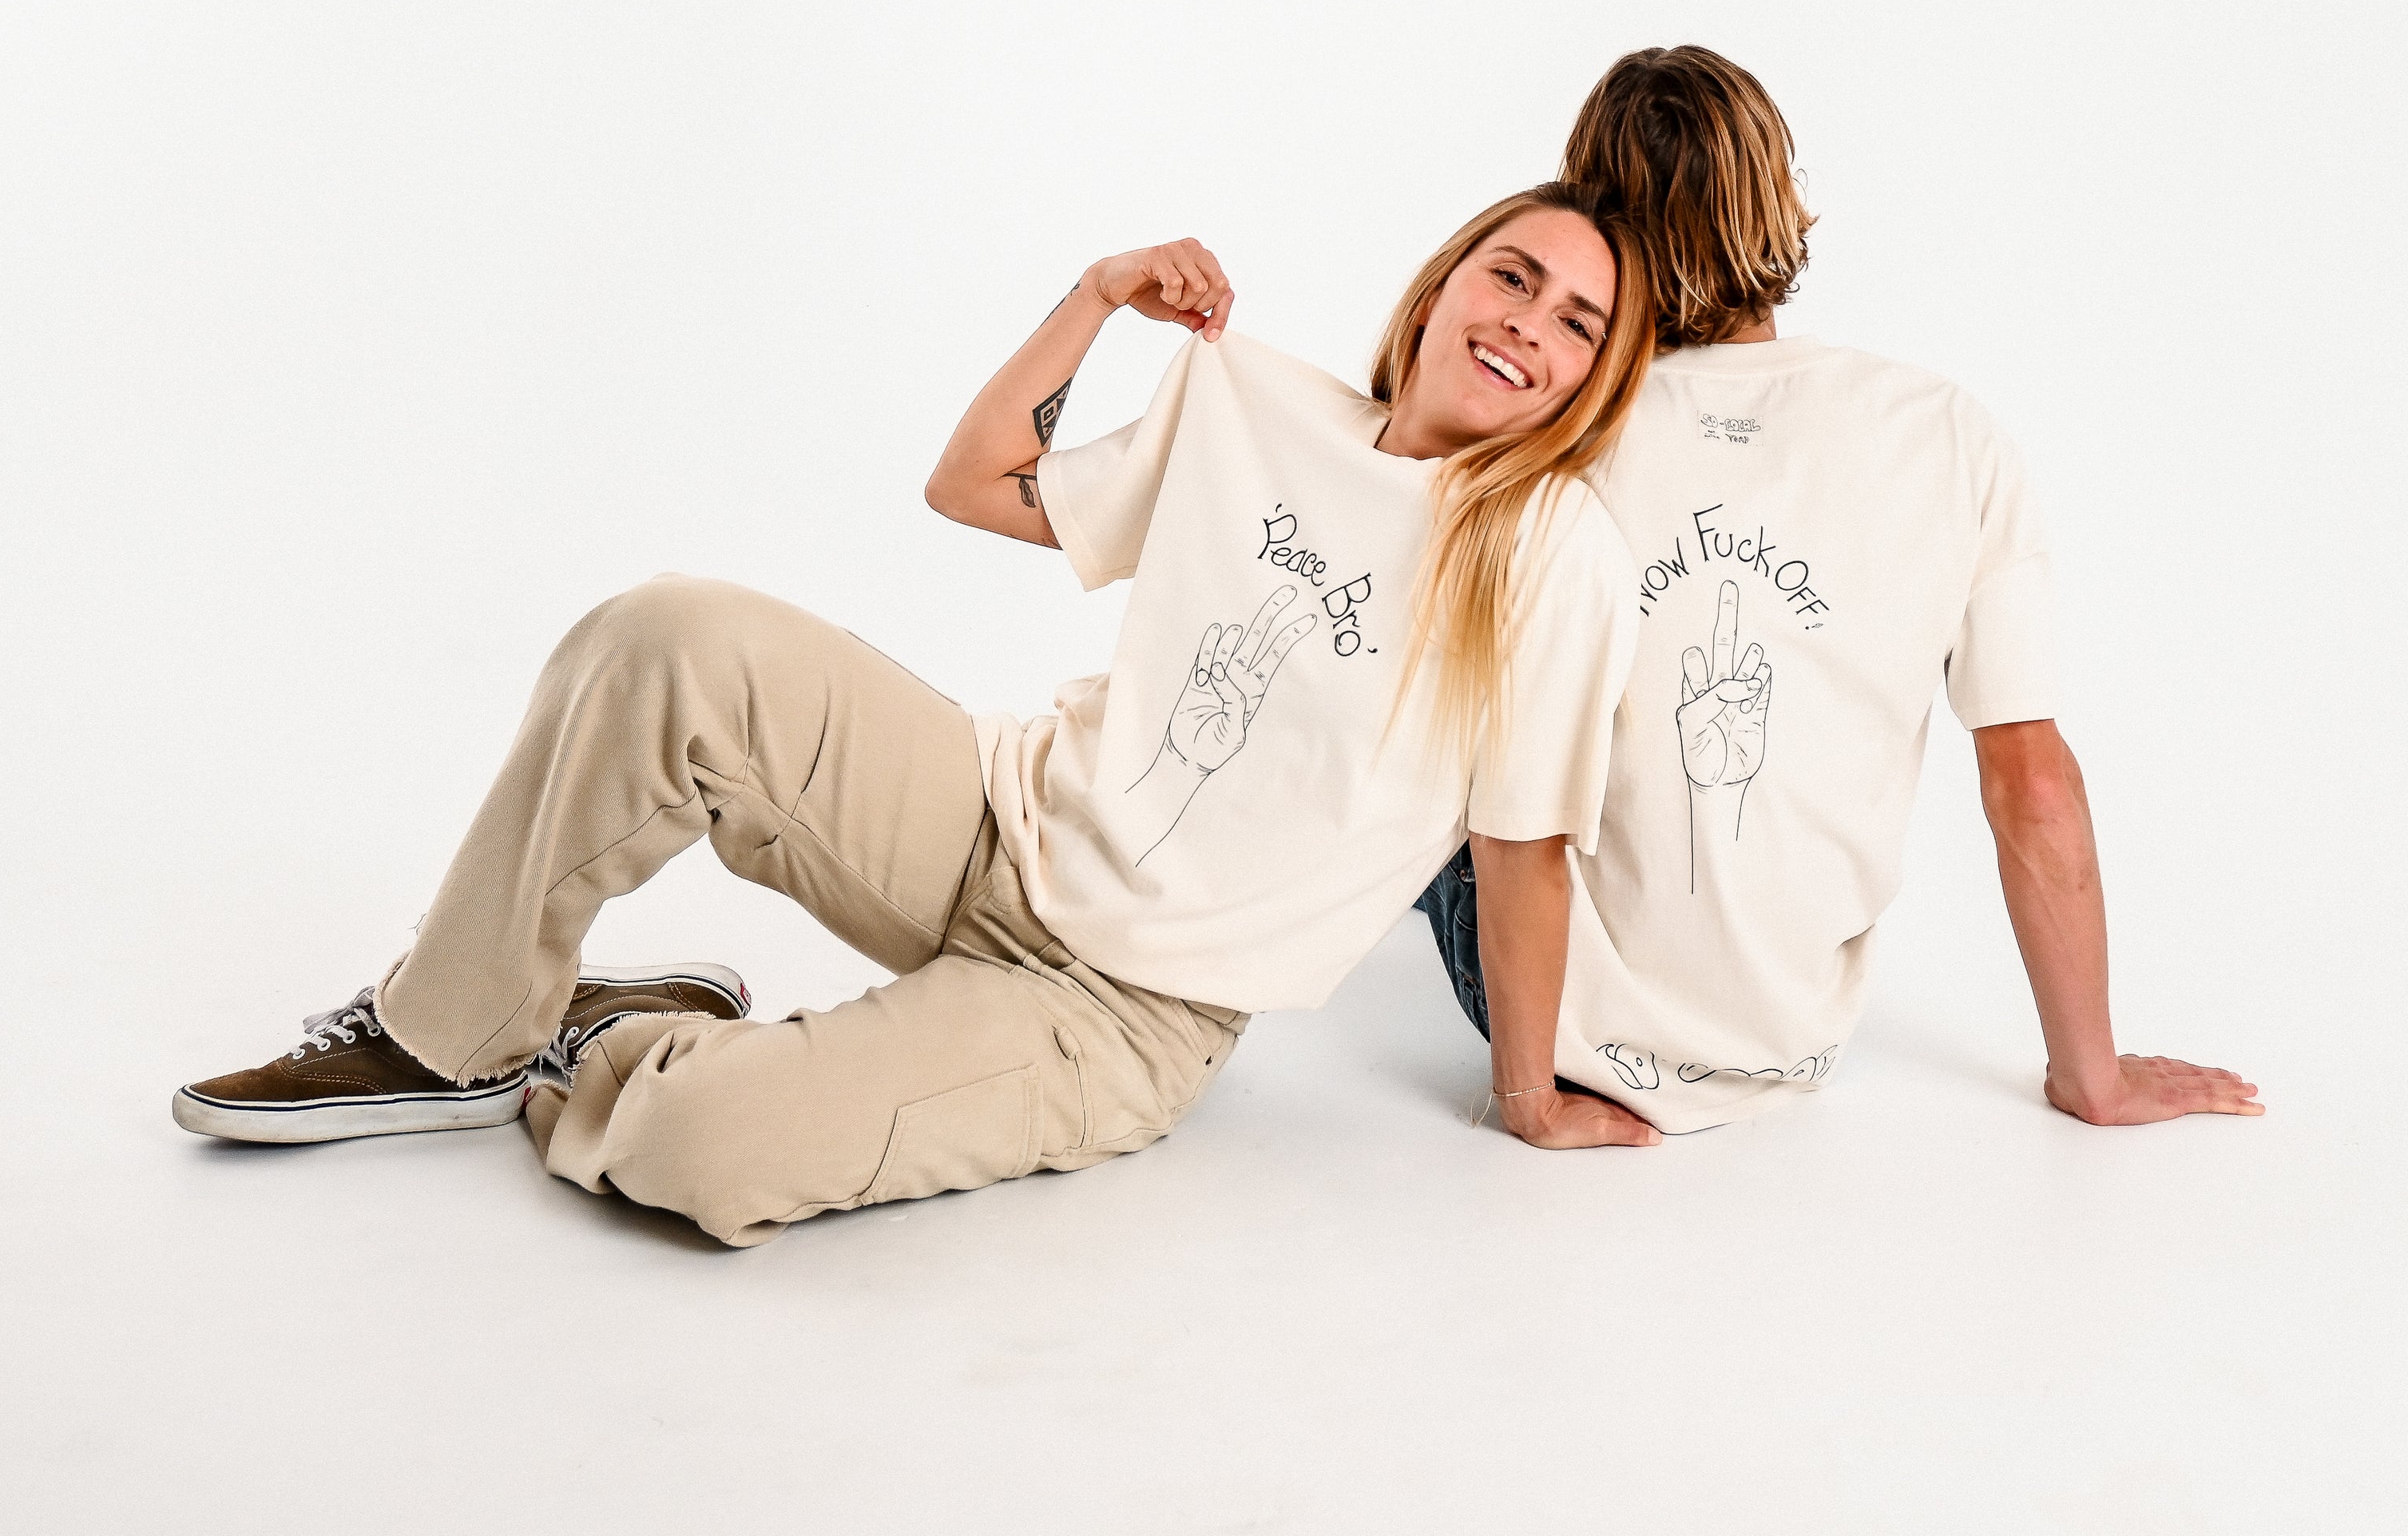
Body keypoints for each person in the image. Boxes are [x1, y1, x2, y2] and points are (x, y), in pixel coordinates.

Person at [173, 184, 1660, 1244]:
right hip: (987, 819)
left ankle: (611, 1042)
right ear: (1448, 276)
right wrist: (1096, 297)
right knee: (669, 633)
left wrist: (1528, 1096)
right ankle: (451, 1030)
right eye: (1512, 276)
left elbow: (1523, 851)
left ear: (1594, 384)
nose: (1529, 326)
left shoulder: (1549, 557)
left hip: (1120, 1010)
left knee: (702, 1155)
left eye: (1579, 326)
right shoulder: (1258, 410)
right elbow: (977, 488)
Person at [1418, 49, 2261, 1142]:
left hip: (1563, 1038)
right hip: (1791, 1045)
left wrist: (1525, 1102)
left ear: (1599, 224)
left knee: (1421, 681)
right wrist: (2091, 1076)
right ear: (1784, 201)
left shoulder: (1559, 430)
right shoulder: (1948, 432)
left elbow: (1498, 796)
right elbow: (2030, 784)